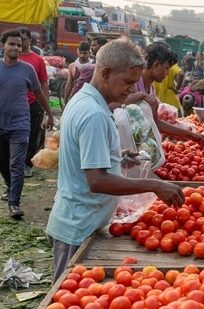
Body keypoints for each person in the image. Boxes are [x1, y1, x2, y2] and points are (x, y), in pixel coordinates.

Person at [46, 40, 185, 281]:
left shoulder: (84, 101)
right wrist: (155, 185)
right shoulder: (94, 114)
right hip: (78, 227)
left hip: (79, 220)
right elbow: (97, 181)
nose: (132, 90)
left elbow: (85, 158)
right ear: (106, 73)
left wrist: (116, 158)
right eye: (128, 82)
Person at [0, 29, 54, 218]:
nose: (15, 47)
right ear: (3, 45)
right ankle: (9, 185)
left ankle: (14, 203)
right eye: (11, 44)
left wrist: (49, 113)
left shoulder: (27, 69)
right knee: (3, 163)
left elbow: (39, 93)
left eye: (18, 44)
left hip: (20, 124)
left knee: (17, 164)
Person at [111, 42, 204, 143]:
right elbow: (112, 105)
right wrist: (141, 95)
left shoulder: (150, 89)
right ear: (156, 65)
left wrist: (191, 134)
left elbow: (156, 123)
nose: (168, 73)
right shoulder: (132, 82)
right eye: (166, 68)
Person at [18, 27, 50, 178]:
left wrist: (46, 108)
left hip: (33, 103)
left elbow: (44, 84)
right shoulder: (12, 58)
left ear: (30, 40)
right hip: (15, 104)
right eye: (19, 38)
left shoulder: (37, 60)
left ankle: (27, 164)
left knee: (32, 134)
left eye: (24, 39)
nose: (21, 42)